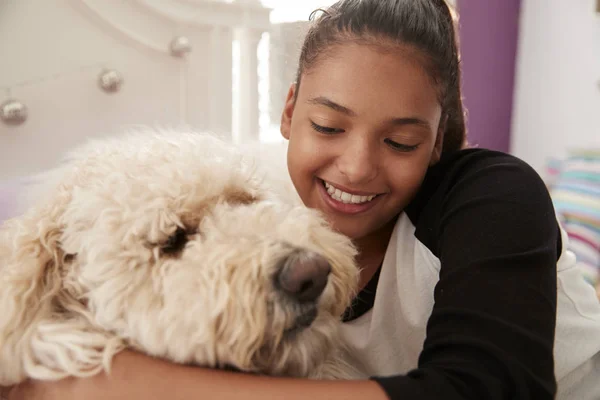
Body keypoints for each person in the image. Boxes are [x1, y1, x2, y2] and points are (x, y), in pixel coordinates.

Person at [3, 0, 600, 399]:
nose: (357, 167)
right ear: (289, 112)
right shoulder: (251, 183)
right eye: (329, 127)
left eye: (400, 140)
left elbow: (488, 389)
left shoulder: (496, 195)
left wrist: (105, 383)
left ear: (437, 140)